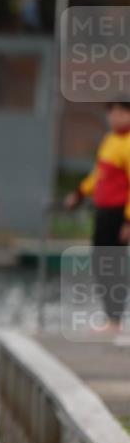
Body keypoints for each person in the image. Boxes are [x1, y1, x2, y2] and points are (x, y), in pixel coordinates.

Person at [64, 99, 130, 333]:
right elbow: (99, 175)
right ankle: (111, 317)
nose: (116, 117)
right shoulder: (110, 140)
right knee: (101, 264)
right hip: (103, 211)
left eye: (122, 112)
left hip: (119, 213)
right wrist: (80, 193)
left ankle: (115, 319)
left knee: (113, 265)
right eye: (112, 112)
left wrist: (128, 221)